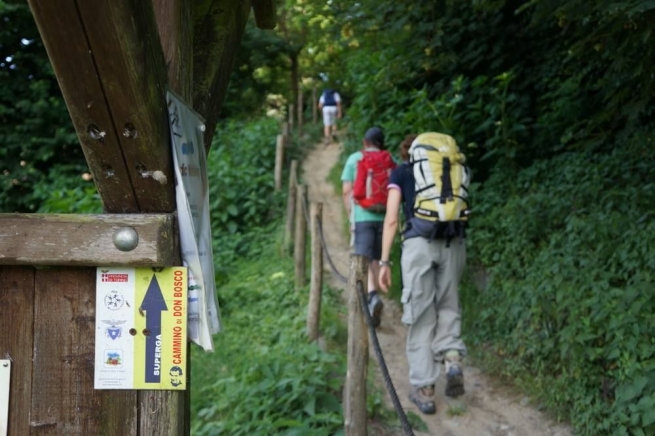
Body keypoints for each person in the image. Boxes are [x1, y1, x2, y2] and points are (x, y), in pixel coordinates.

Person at [378, 132, 467, 415]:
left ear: (407, 152)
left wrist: (383, 261)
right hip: (453, 244)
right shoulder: (453, 168)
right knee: (449, 304)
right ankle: (452, 359)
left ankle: (425, 390)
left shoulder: (401, 172)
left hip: (418, 246)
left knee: (420, 316)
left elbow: (392, 218)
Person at [341, 126, 387, 327]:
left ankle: (371, 296)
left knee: (363, 261)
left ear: (365, 142)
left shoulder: (354, 159)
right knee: (375, 259)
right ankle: (372, 298)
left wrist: (350, 214)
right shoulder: (387, 159)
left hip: (362, 216)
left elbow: (346, 191)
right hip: (383, 216)